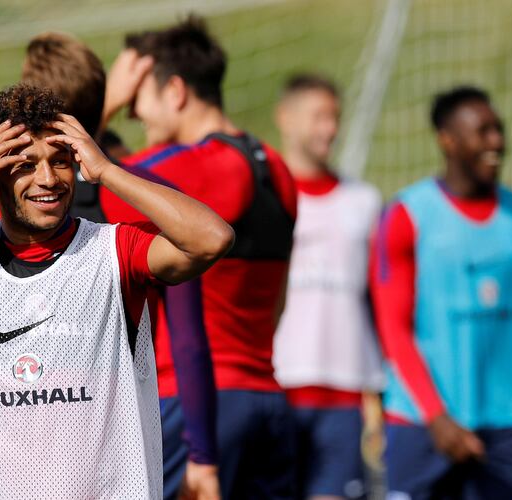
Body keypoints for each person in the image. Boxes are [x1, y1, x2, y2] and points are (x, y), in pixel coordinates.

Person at [0, 32, 221, 499]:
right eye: (27, 160)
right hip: (34, 428)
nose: (46, 179)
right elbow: (190, 337)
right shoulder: (142, 194)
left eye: (59, 160)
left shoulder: (116, 235)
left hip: (101, 443)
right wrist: (204, 454)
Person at [102, 15, 298, 499]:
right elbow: (280, 300)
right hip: (267, 400)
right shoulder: (277, 167)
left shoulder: (199, 169)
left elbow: (79, 180)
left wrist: (101, 104)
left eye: (137, 102)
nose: (135, 118)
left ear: (176, 91)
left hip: (195, 408)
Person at [370, 85, 512, 499]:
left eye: (498, 129)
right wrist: (436, 417)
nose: (497, 141)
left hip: (498, 428)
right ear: (447, 139)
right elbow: (392, 328)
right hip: (420, 426)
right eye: (482, 131)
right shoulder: (407, 215)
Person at [271, 74, 383, 500]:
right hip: (278, 383)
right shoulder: (263, 196)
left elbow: (380, 300)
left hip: (347, 389)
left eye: (334, 117)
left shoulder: (366, 201)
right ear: (286, 118)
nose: (330, 129)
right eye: (318, 116)